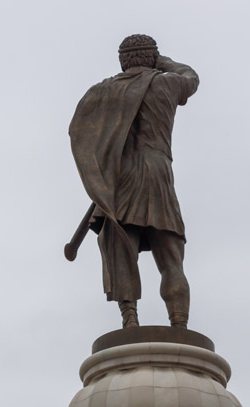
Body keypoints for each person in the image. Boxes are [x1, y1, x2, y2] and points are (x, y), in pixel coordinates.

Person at [69, 34, 199, 330]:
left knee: (120, 247)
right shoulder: (167, 83)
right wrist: (162, 62)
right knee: (171, 256)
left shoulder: (103, 91)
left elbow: (81, 134)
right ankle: (179, 324)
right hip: (158, 174)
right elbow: (190, 76)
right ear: (152, 57)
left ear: (122, 60)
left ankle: (130, 319)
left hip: (121, 180)